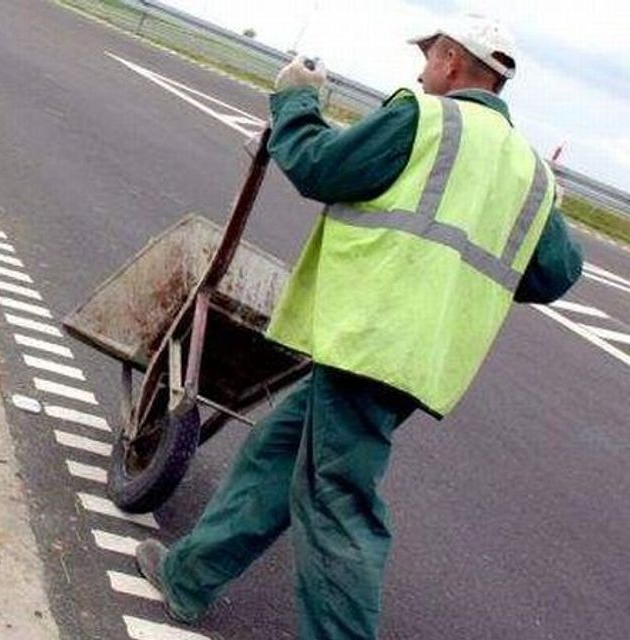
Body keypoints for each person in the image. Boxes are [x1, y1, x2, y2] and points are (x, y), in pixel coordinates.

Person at [135, 13, 583, 639]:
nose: (422, 69)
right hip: (418, 359)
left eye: (430, 57)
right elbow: (553, 275)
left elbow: (319, 166)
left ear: (453, 60)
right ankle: (189, 578)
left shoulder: (426, 118)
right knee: (278, 454)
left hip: (369, 339)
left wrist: (295, 100)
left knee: (338, 503)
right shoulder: (531, 173)